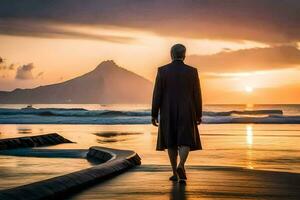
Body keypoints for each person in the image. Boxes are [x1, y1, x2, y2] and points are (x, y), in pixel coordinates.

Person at [151, 44, 202, 182]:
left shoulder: (162, 71)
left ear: (171, 54)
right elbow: (197, 94)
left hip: (167, 111)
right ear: (184, 55)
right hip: (187, 110)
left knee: (171, 142)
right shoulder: (192, 71)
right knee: (185, 140)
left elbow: (157, 94)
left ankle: (175, 172)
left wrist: (154, 113)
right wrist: (198, 113)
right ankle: (181, 165)